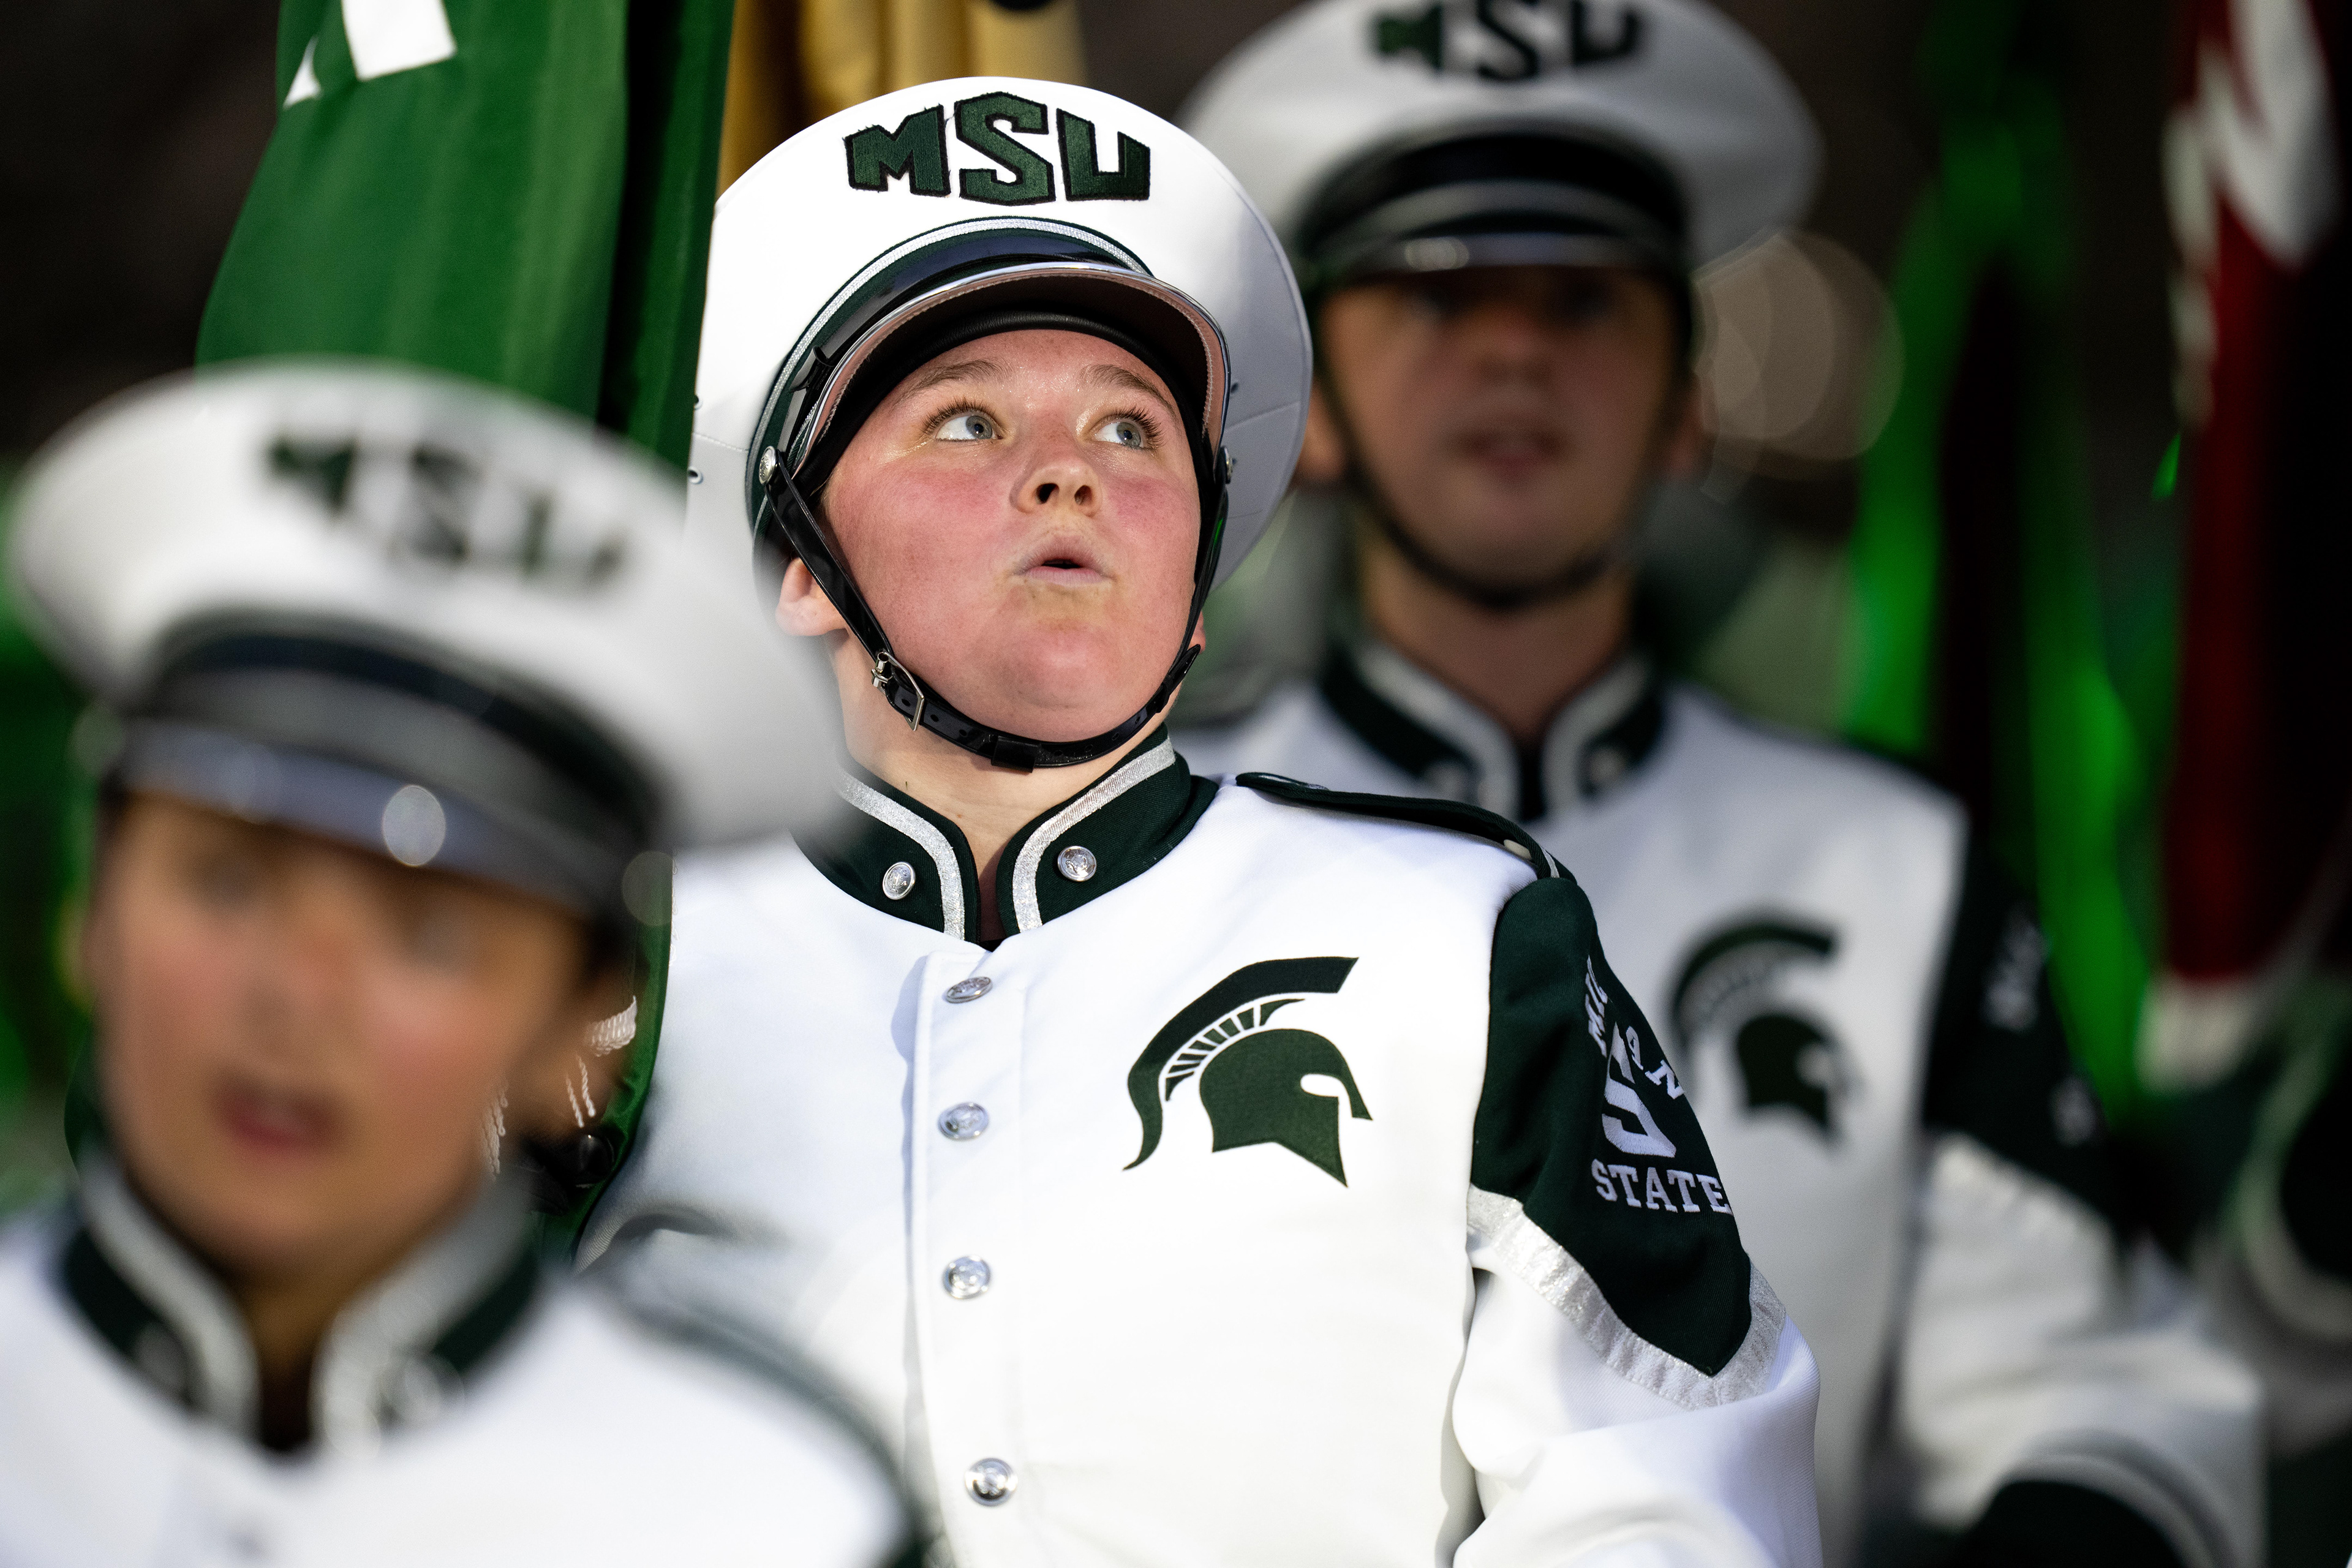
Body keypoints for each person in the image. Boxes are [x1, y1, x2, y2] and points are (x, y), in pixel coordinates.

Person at [581, 76, 1822, 1568]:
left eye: (1132, 427)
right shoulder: (597, 944)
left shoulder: (1465, 932)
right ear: (793, 555)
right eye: (966, 420)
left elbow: (1673, 1480)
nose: (1069, 470)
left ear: (1201, 551)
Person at [1171, 4, 2262, 1566]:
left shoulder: (1901, 872)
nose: (1512, 348)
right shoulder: (1145, 843)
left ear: (1690, 399)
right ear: (1319, 408)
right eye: (1436, 295)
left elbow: (2102, 1398)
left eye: (1582, 299)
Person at [0, 363, 911, 1566]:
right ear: (92, 912)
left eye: (431, 934)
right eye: (227, 878)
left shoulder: (774, 1519)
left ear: (581, 1025)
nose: (297, 994)